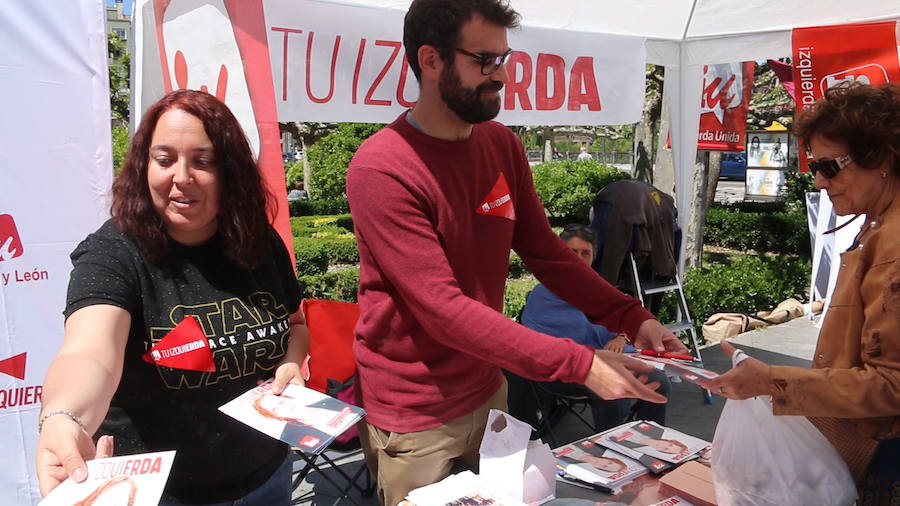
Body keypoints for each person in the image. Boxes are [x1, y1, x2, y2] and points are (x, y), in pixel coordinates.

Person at [345, 1, 685, 503]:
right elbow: (443, 310)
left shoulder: (500, 144)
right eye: (484, 60)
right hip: (416, 410)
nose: (501, 75)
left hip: (487, 386)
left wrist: (631, 317)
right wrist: (581, 364)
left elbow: (546, 253)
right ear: (431, 60)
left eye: (504, 58)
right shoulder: (382, 168)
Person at [36, 89, 310, 505]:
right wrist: (64, 416)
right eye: (164, 160)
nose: (181, 177)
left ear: (231, 171)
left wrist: (291, 361)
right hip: (163, 493)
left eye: (203, 161)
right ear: (144, 167)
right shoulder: (114, 253)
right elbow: (89, 354)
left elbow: (295, 324)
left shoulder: (259, 242)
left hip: (267, 477)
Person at [700, 82, 900, 502]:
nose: (821, 182)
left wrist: (773, 381)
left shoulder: (895, 242)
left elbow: (891, 386)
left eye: (830, 166)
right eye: (814, 168)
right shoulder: (878, 221)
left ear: (880, 158)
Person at [520, 224, 671, 431]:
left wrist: (621, 338)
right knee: (612, 387)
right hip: (564, 368)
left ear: (593, 257)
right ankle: (613, 451)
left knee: (659, 382)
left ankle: (650, 443)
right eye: (572, 252)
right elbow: (538, 346)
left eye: (586, 253)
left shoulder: (598, 291)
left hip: (607, 360)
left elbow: (621, 322)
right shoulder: (542, 295)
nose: (579, 258)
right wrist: (589, 358)